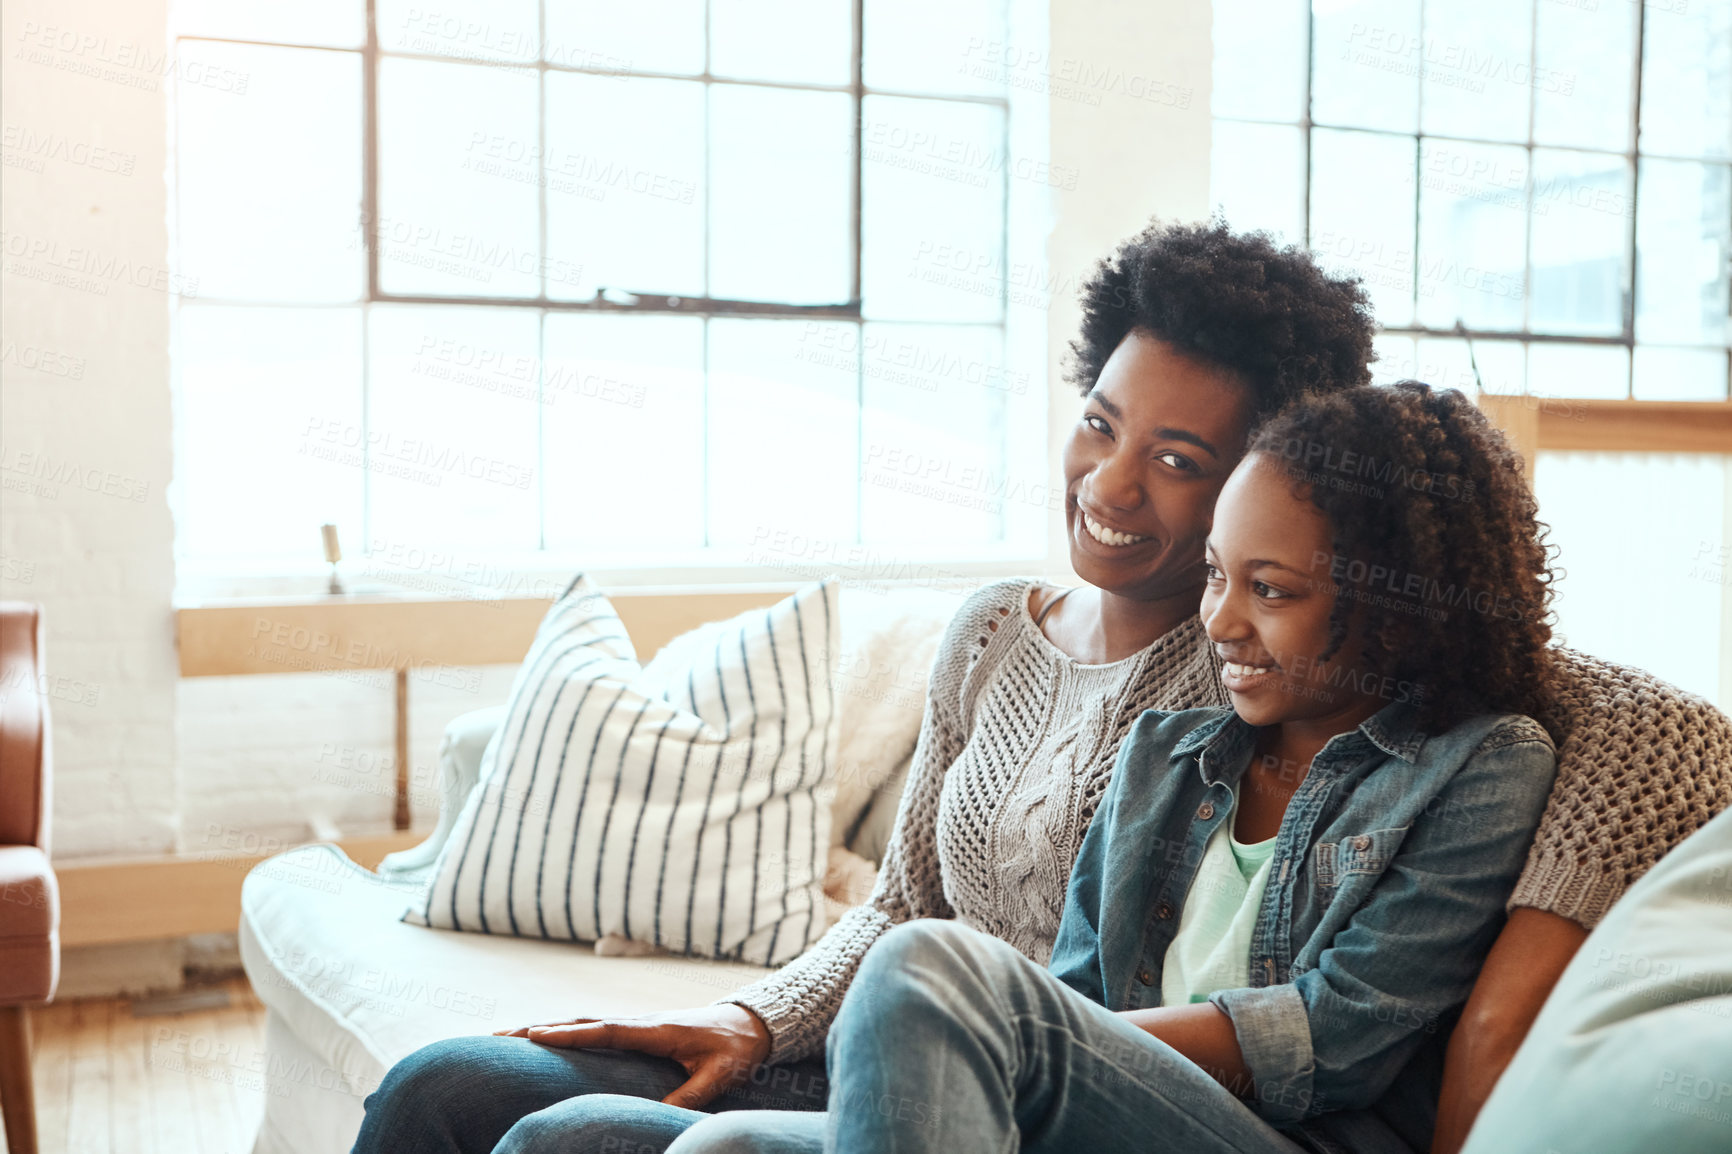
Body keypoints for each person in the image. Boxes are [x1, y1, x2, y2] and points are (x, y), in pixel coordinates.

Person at [349, 223, 1732, 1154]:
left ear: (1295, 498)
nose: (1116, 484)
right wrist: (750, 1013)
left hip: (1042, 1068)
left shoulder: (1313, 686)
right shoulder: (1051, 672)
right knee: (486, 1105)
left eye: (1183, 460)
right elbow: (905, 911)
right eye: (1100, 424)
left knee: (900, 994)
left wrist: (1505, 1008)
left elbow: (1613, 712)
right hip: (929, 1065)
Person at [810, 380, 1561, 1153]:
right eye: (1215, 574)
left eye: (1268, 589)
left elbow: (1337, 1038)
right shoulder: (1164, 753)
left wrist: (1030, 1035)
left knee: (928, 966)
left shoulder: (1480, 767)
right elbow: (1076, 994)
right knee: (719, 1142)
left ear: (1402, 616)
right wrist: (1046, 1043)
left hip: (1283, 1139)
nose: (1220, 620)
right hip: (1097, 1121)